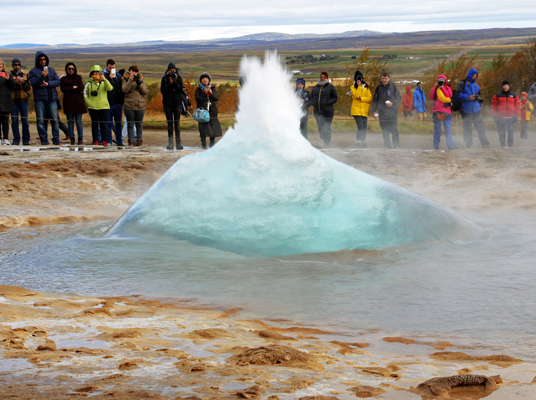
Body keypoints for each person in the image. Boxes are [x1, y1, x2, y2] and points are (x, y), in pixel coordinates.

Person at [29, 51, 62, 145]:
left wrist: (48, 84)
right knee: (40, 120)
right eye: (40, 59)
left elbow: (57, 82)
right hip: (40, 100)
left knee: (55, 120)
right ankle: (43, 139)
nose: (43, 61)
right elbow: (34, 84)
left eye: (44, 59)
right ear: (37, 60)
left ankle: (56, 139)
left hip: (52, 99)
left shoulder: (51, 70)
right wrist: (41, 76)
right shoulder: (33, 71)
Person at [456, 68, 490, 149]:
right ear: (470, 74)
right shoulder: (462, 83)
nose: (475, 76)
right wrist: (468, 97)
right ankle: (469, 145)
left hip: (476, 111)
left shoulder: (476, 86)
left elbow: (478, 97)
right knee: (467, 130)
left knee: (481, 128)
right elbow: (457, 95)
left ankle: (485, 144)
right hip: (466, 111)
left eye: (476, 75)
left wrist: (479, 105)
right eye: (474, 74)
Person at [83, 65, 113, 146]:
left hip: (103, 106)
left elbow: (110, 88)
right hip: (93, 107)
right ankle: (95, 140)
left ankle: (104, 141)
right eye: (95, 72)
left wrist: (105, 79)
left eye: (98, 72)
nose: (96, 74)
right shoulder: (88, 83)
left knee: (104, 124)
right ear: (92, 73)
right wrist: (89, 103)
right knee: (95, 124)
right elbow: (85, 94)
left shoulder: (104, 82)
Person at [372, 72, 401, 149]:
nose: (384, 80)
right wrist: (373, 111)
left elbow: (399, 98)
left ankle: (396, 145)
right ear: (381, 79)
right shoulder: (378, 88)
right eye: (383, 78)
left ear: (389, 79)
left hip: (392, 112)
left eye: (386, 78)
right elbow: (375, 100)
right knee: (384, 130)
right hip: (382, 112)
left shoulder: (393, 86)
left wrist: (392, 103)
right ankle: (387, 145)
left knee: (394, 129)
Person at [60, 63, 87, 145]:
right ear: (66, 69)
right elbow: (63, 89)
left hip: (78, 103)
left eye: (73, 69)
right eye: (69, 68)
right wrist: (74, 87)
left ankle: (80, 138)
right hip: (68, 104)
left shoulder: (78, 77)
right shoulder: (63, 79)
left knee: (79, 122)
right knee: (70, 122)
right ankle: (72, 138)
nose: (71, 70)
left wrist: (70, 89)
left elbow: (81, 88)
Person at [194, 72, 222, 149]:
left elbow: (216, 98)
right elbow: (197, 99)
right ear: (201, 80)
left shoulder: (212, 88)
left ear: (209, 80)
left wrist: (211, 93)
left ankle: (212, 145)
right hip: (202, 112)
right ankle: (203, 145)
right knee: (202, 128)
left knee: (212, 128)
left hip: (212, 111)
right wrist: (204, 93)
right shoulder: (198, 89)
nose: (205, 80)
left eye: (206, 79)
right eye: (203, 79)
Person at [161, 62, 184, 150]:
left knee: (177, 123)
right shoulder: (164, 79)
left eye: (173, 70)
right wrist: (170, 84)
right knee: (170, 123)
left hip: (177, 104)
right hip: (168, 104)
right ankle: (170, 143)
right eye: (170, 70)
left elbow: (180, 90)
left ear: (175, 70)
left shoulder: (179, 79)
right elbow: (163, 90)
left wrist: (175, 83)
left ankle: (178, 143)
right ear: (168, 70)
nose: (172, 72)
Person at [122, 65, 148, 146]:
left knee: (139, 124)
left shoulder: (141, 81)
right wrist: (130, 80)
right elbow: (124, 90)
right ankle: (131, 141)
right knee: (130, 124)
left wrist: (139, 83)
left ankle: (139, 141)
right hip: (129, 105)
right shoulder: (125, 80)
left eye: (135, 72)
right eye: (132, 71)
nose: (134, 73)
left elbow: (145, 92)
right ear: (129, 71)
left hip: (140, 105)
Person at [311, 71, 338, 147]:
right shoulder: (315, 87)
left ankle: (327, 143)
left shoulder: (331, 87)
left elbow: (335, 98)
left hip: (328, 111)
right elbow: (311, 97)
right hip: (317, 111)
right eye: (321, 77)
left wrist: (327, 102)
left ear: (327, 78)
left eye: (324, 77)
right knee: (320, 127)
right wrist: (313, 103)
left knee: (327, 127)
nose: (322, 78)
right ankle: (322, 141)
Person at [491, 81, 520, 148]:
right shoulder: (497, 95)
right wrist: (494, 115)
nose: (505, 87)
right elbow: (493, 106)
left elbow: (517, 106)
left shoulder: (514, 95)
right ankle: (502, 145)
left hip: (511, 117)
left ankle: (510, 146)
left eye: (507, 85)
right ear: (502, 86)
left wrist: (516, 115)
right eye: (504, 85)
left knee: (511, 133)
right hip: (501, 117)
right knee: (501, 133)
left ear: (509, 86)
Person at [10, 58, 31, 145]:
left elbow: (28, 88)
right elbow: (9, 87)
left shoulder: (25, 75)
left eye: (18, 65)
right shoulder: (9, 75)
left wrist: (23, 82)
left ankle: (26, 139)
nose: (17, 66)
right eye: (15, 65)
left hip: (24, 100)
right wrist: (15, 83)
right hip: (13, 100)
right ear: (13, 66)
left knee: (25, 121)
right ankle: (16, 139)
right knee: (14, 121)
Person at [430, 74, 454, 151]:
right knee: (437, 130)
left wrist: (442, 88)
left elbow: (449, 95)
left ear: (445, 81)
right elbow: (431, 97)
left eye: (442, 81)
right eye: (439, 81)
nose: (441, 83)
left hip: (446, 112)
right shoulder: (436, 88)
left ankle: (450, 147)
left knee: (448, 130)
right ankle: (435, 147)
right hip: (437, 111)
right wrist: (435, 86)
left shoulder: (447, 87)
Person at [103, 59, 124, 146]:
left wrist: (121, 102)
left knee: (118, 123)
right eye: (110, 68)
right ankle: (109, 142)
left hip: (117, 103)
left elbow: (121, 89)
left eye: (113, 68)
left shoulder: (118, 76)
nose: (111, 69)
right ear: (106, 67)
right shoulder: (103, 76)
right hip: (107, 103)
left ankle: (119, 142)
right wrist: (109, 78)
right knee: (108, 124)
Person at [350, 70, 372, 147]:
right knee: (361, 126)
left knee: (364, 127)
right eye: (357, 78)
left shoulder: (366, 87)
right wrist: (359, 86)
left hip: (364, 110)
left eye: (360, 78)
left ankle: (363, 140)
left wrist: (362, 98)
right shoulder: (353, 87)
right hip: (356, 110)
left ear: (362, 78)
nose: (359, 80)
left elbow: (369, 98)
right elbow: (356, 95)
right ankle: (358, 141)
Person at [0, 59, 15, 145]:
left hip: (5, 101)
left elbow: (12, 86)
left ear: (3, 65)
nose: (0, 66)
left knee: (5, 121)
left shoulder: (7, 74)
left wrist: (8, 79)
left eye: (1, 64)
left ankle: (5, 139)